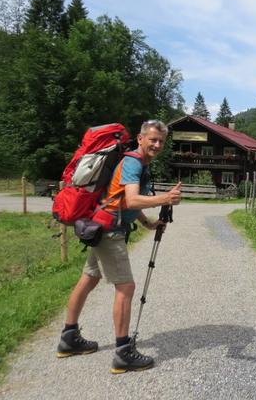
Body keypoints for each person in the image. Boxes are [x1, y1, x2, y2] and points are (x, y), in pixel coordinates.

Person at [56, 120, 181, 374]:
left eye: (161, 141)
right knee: (126, 287)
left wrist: (147, 223)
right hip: (109, 231)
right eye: (153, 139)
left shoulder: (138, 162)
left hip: (102, 225)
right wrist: (166, 198)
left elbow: (123, 200)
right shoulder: (134, 162)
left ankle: (69, 338)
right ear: (140, 138)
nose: (157, 145)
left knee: (88, 279)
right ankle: (123, 352)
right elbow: (132, 198)